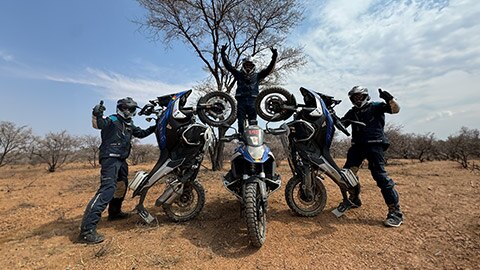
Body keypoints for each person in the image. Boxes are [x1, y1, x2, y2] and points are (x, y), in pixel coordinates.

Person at [78, 97, 156, 244]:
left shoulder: (129, 124)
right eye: (131, 109)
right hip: (110, 159)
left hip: (121, 159)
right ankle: (86, 231)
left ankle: (114, 213)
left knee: (121, 186)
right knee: (107, 190)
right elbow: (99, 124)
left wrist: (155, 127)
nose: (133, 112)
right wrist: (96, 114)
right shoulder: (112, 119)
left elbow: (140, 133)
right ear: (123, 109)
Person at [340, 86, 403, 227]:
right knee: (347, 175)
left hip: (375, 145)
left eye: (359, 96)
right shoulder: (352, 112)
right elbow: (341, 124)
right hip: (357, 147)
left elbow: (395, 110)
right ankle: (354, 199)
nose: (357, 99)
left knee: (380, 176)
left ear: (365, 96)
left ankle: (395, 212)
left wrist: (389, 99)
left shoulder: (376, 106)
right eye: (354, 97)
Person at [221, 44, 278, 134]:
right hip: (241, 101)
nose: (248, 67)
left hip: (253, 100)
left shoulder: (258, 75)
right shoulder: (238, 74)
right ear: (243, 65)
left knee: (253, 123)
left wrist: (274, 57)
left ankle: (254, 140)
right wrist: (223, 54)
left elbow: (269, 69)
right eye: (246, 65)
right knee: (240, 122)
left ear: (253, 66)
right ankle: (241, 138)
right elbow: (229, 67)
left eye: (250, 65)